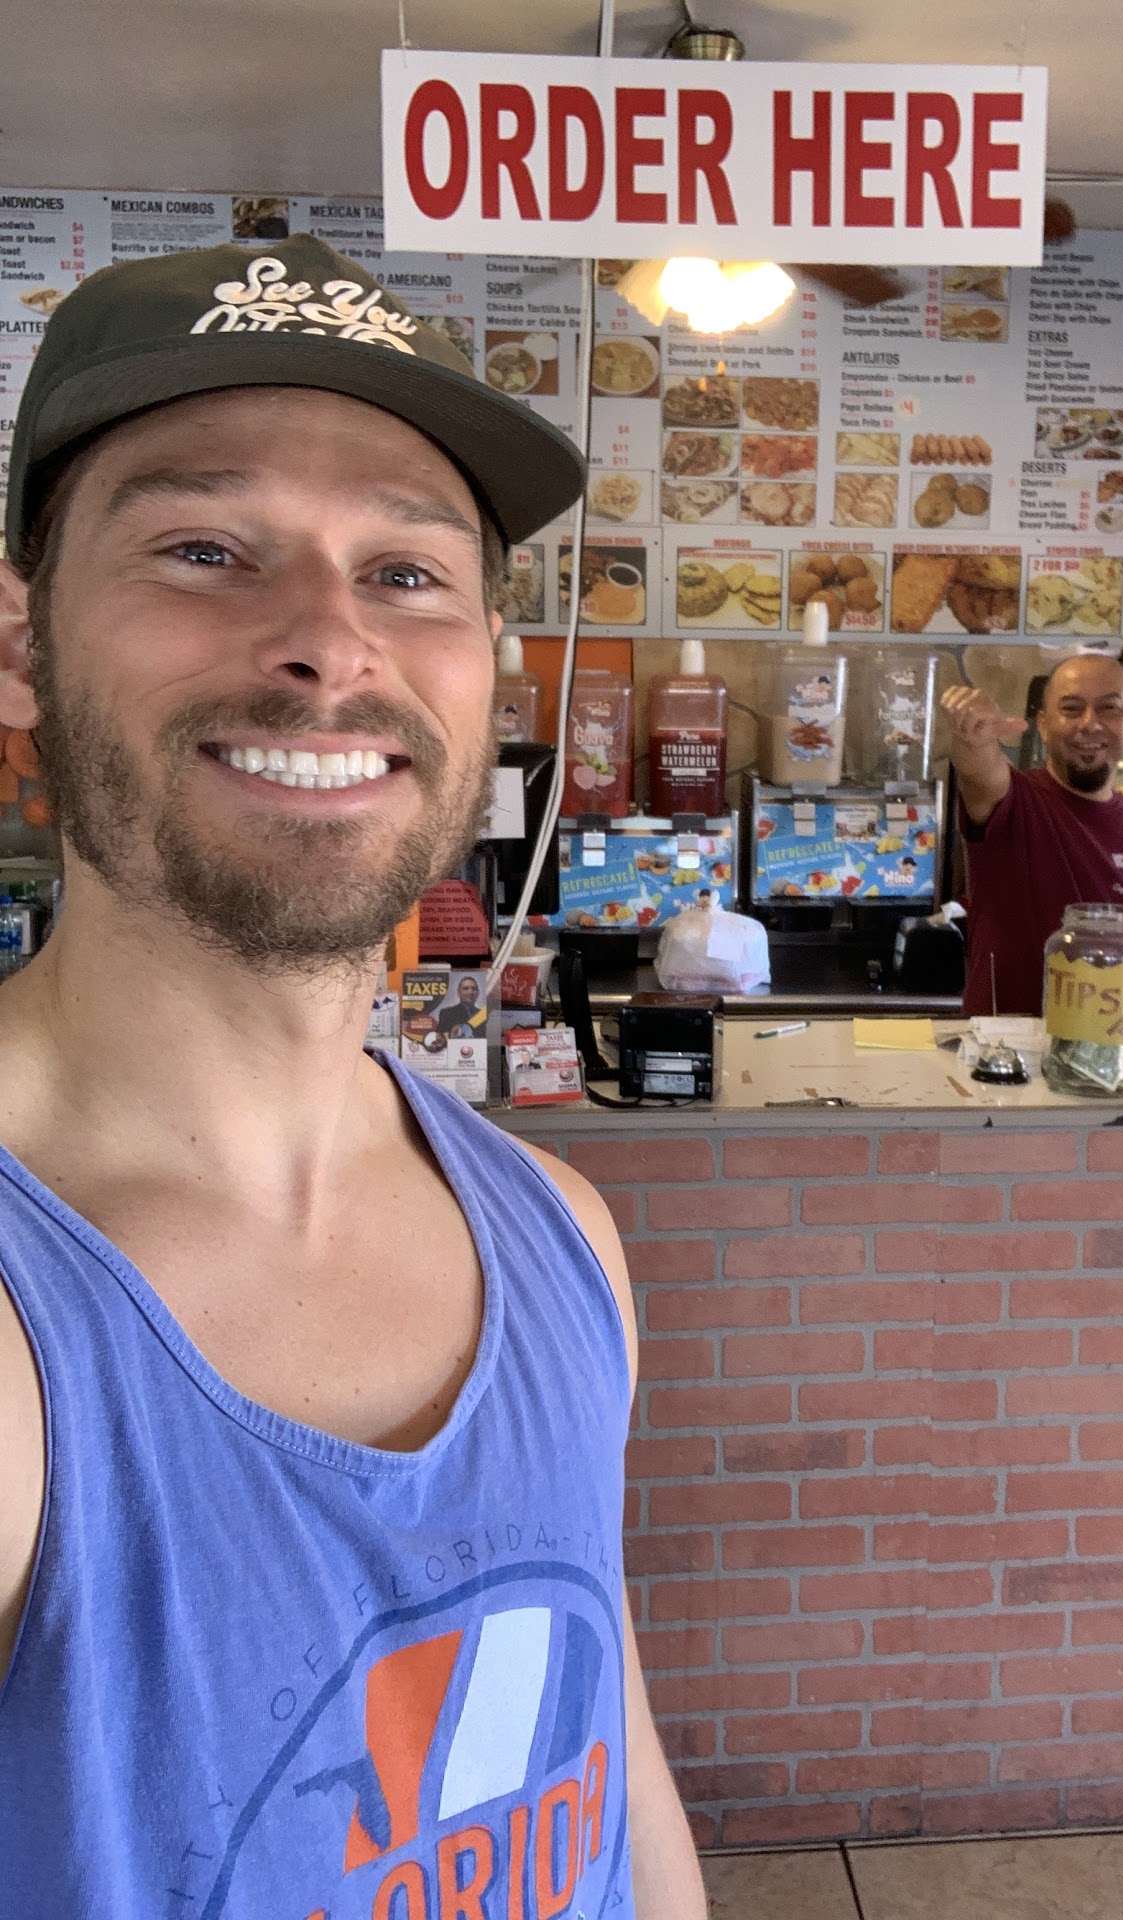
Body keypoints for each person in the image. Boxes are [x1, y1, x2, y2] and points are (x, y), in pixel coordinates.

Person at [0, 236, 706, 1918]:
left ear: (488, 666)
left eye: (405, 572)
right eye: (204, 548)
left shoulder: (564, 1239)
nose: (329, 640)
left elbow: (608, 1762)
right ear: (19, 644)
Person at [941, 653, 1123, 1017]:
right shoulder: (1015, 801)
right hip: (1012, 1046)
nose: (1090, 723)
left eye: (1109, 708)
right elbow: (980, 772)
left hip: (1122, 1045)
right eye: (1071, 709)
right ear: (1043, 725)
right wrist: (973, 738)